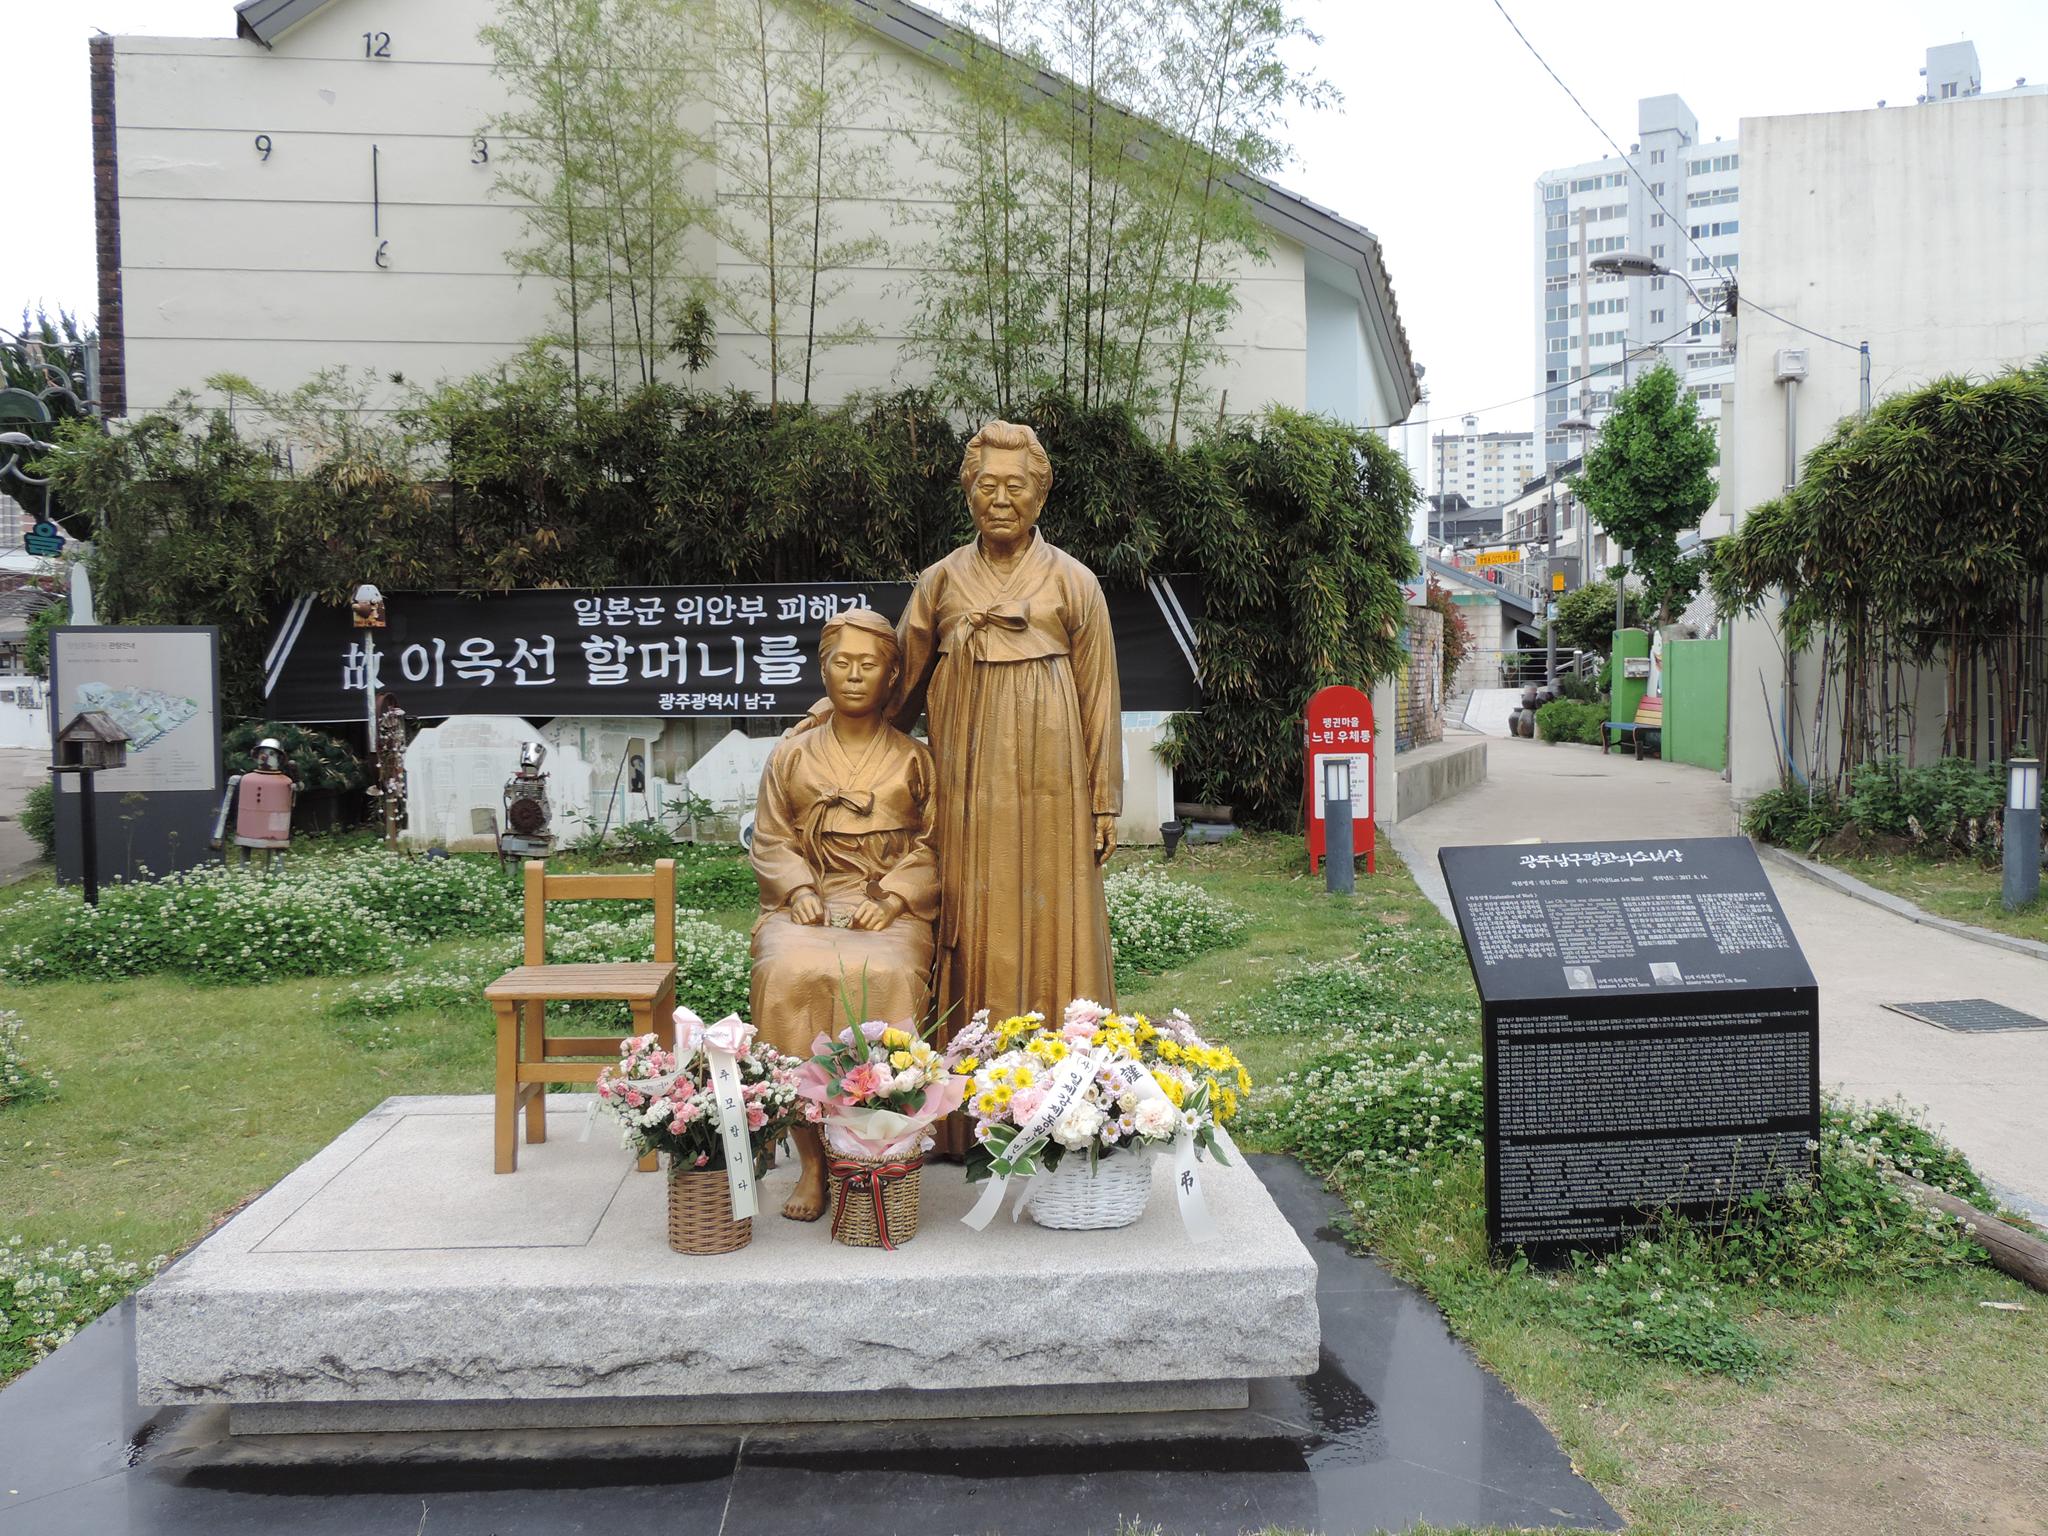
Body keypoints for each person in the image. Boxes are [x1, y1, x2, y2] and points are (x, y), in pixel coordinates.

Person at [750, 607, 938, 1219]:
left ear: (892, 677)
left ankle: (876, 1152)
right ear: (822, 669)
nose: (854, 676)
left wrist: (895, 898)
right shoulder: (791, 754)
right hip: (809, 903)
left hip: (884, 905)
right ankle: (811, 1160)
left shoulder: (915, 758)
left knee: (887, 974)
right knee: (784, 971)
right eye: (842, 663)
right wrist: (798, 888)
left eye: (869, 665)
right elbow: (771, 838)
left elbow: (936, 843)